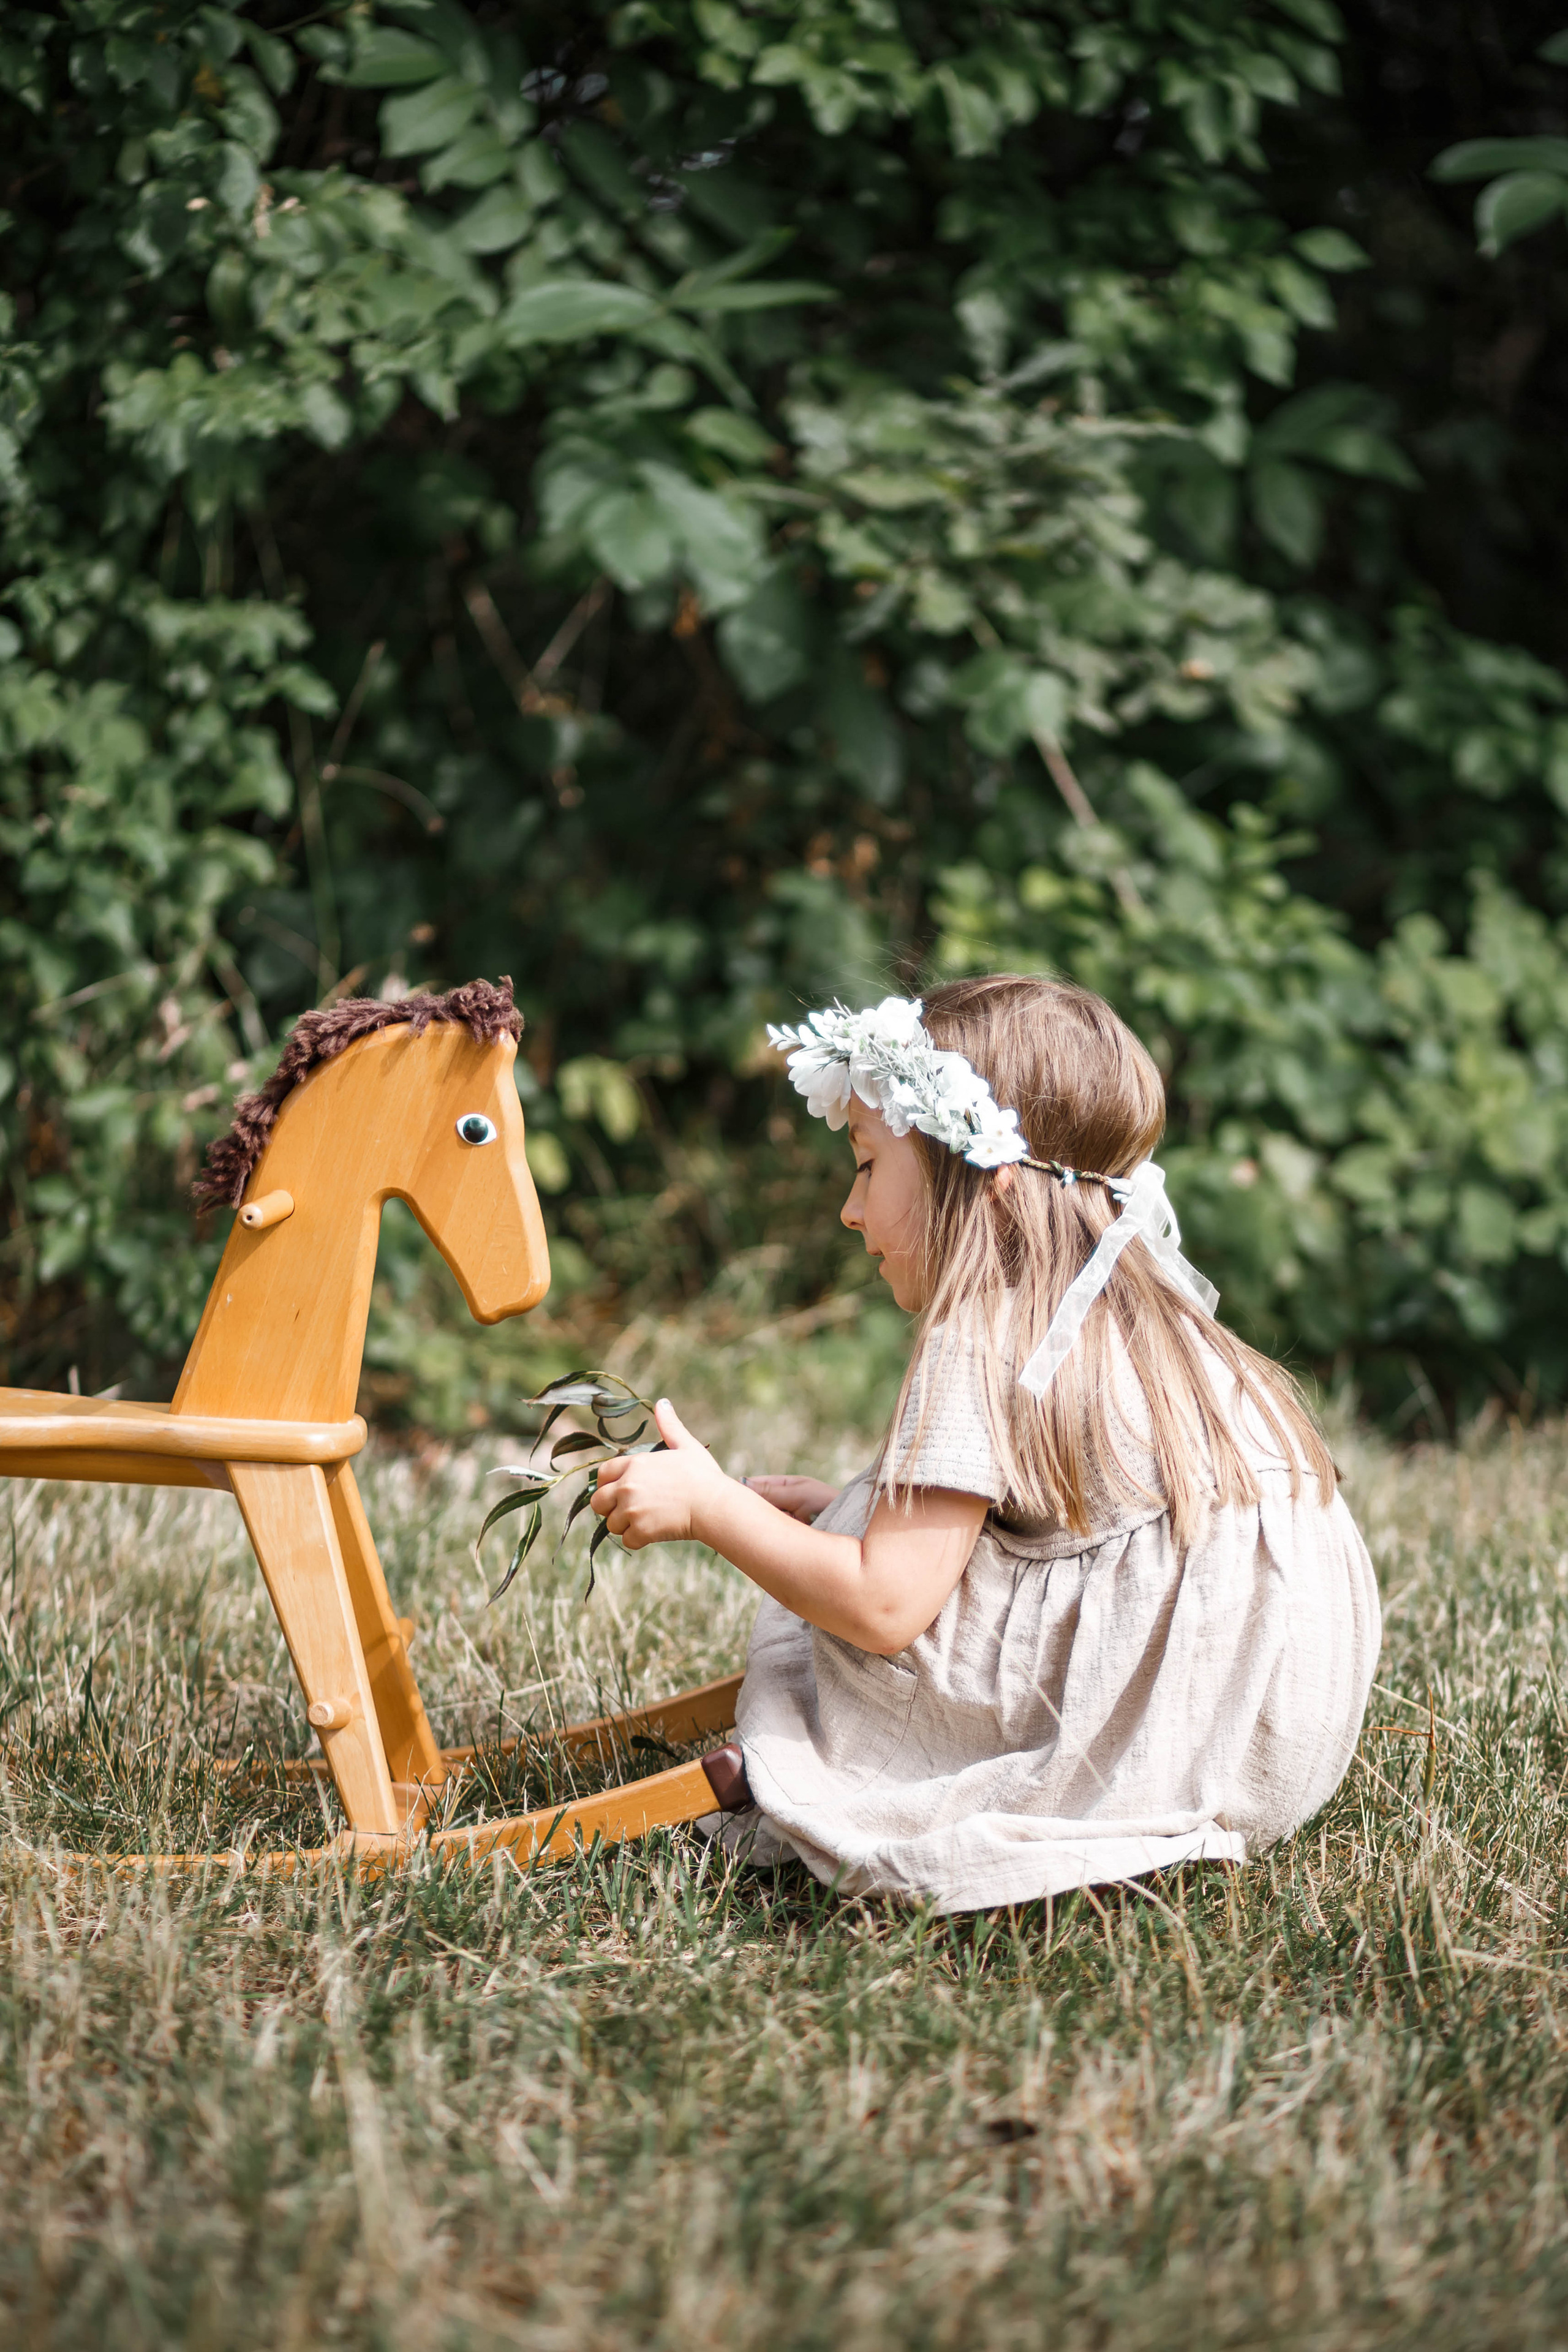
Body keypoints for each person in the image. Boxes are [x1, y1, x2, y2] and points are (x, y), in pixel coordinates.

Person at [590, 974, 1380, 1914]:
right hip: (1269, 1735)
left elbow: (886, 1607)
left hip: (1158, 1727)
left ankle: (890, 1779)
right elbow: (1053, 1516)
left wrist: (712, 1509)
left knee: (838, 1646)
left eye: (866, 1164)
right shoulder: (1138, 1307)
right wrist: (843, 1506)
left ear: (989, 1185)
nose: (850, 1210)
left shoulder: (981, 1334)